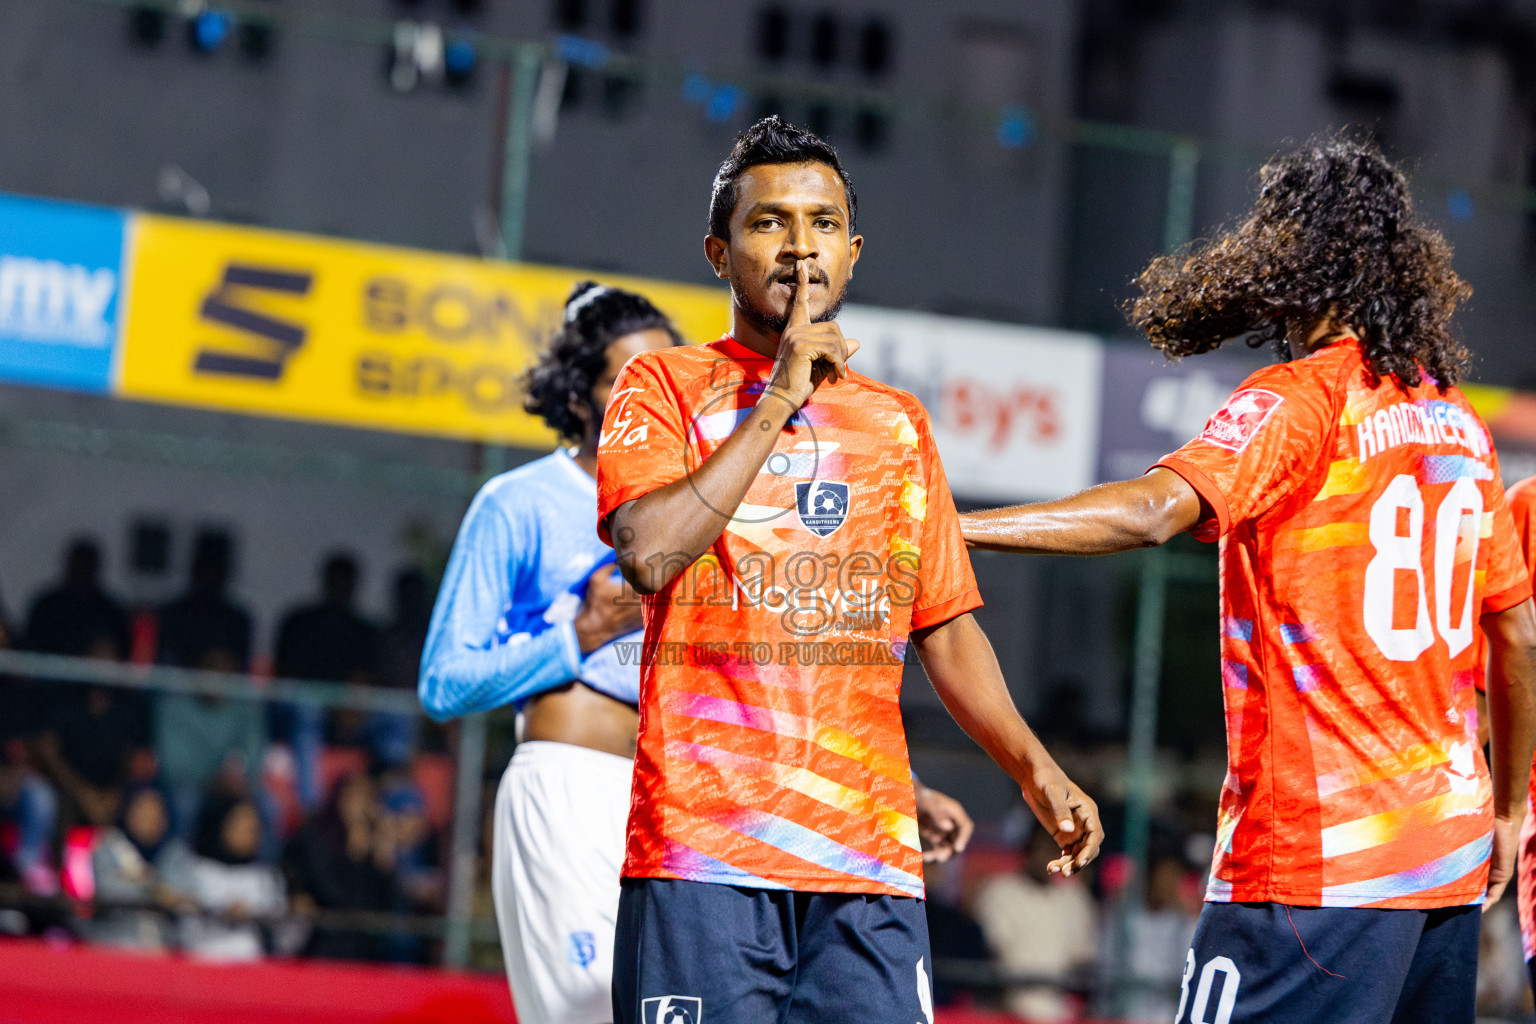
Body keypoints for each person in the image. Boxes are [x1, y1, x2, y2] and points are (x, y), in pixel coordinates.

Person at [959, 137, 1536, 1024]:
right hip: (1446, 857)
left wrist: (953, 527)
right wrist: (1507, 812)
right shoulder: (1458, 422)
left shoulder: (1300, 399)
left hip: (1315, 866)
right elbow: (1519, 637)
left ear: (1303, 253)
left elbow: (1151, 512)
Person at [595, 116, 1099, 1024]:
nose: (800, 245)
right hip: (706, 858)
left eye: (823, 223)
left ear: (853, 253)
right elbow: (649, 552)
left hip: (867, 869)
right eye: (769, 222)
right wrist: (782, 393)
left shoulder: (898, 424)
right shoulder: (662, 386)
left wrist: (1035, 769)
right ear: (718, 252)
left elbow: (946, 629)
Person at [973, 826, 1099, 1022]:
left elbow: (1083, 962)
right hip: (1009, 1010)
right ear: (1027, 850)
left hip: (1062, 1010)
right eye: (1040, 848)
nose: (1045, 857)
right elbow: (992, 955)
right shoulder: (1000, 891)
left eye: (1052, 849)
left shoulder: (1074, 898)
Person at [163, 790, 286, 962]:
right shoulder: (192, 867)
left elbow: (283, 937)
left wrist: (254, 918)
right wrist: (218, 911)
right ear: (221, 824)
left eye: (253, 828)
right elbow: (173, 911)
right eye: (240, 825)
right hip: (197, 961)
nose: (248, 833)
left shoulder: (267, 877)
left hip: (251, 968)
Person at [86, 781, 193, 951]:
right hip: (113, 944)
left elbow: (185, 898)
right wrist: (152, 889)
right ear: (128, 811)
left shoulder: (175, 852)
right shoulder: (109, 845)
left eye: (156, 812)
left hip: (164, 946)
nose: (149, 818)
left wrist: (139, 882)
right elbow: (107, 891)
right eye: (142, 811)